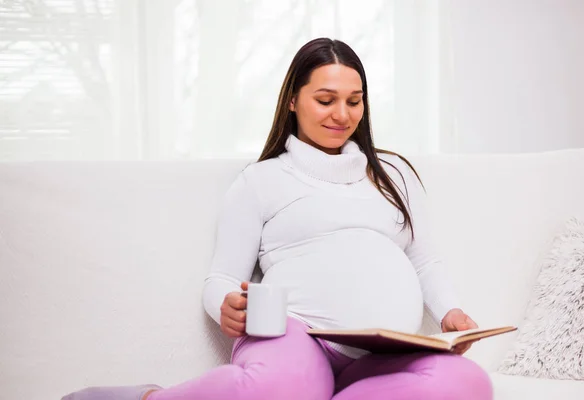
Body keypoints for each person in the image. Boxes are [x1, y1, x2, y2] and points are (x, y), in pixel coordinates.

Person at [63, 38, 493, 400]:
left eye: (353, 101)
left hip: (382, 355)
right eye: (325, 100)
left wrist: (450, 312)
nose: (341, 115)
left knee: (468, 382)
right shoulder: (261, 181)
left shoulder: (393, 175)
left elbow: (425, 262)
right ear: (292, 100)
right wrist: (225, 308)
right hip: (297, 340)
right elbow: (222, 279)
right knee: (286, 383)